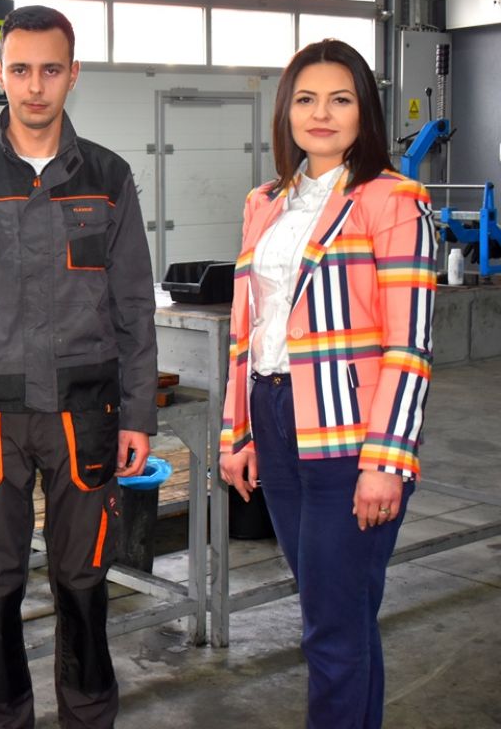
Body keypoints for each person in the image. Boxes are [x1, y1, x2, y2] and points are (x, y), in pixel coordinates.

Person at [0, 5, 158, 728]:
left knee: (84, 581)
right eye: (20, 70)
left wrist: (138, 414)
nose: (35, 86)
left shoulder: (108, 177)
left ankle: (88, 715)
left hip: (85, 417)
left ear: (73, 74)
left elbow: (134, 305)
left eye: (50, 69)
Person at [218, 38, 436, 729]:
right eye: (306, 99)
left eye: (340, 99)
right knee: (334, 613)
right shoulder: (265, 202)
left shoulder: (392, 199)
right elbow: (249, 329)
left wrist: (386, 461)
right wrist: (238, 433)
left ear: (364, 110)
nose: (321, 114)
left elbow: (410, 345)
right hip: (274, 415)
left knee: (332, 627)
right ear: (286, 111)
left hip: (350, 435)